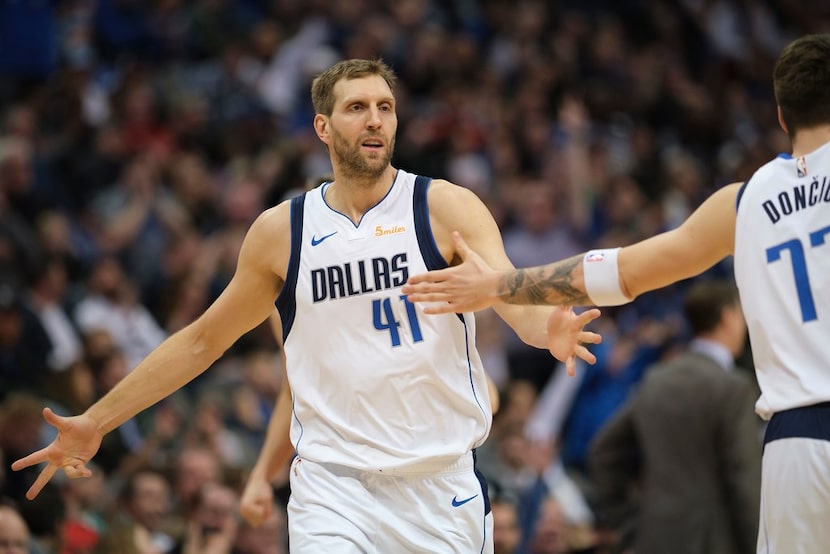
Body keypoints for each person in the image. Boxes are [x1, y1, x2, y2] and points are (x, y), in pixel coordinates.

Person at [11, 58, 602, 552]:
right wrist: (97, 420)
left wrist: (545, 330)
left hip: (438, 483)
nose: (375, 119)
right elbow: (202, 340)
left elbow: (505, 291)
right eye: (357, 107)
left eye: (385, 107)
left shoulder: (444, 207)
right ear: (323, 127)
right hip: (331, 485)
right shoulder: (281, 232)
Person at [403, 33, 830, 553]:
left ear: (782, 116)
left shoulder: (745, 201)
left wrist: (495, 284)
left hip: (796, 445)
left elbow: (620, 274)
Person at [589, 280, 761, 554]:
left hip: (654, 536)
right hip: (715, 540)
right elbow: (743, 478)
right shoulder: (734, 388)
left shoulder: (656, 379)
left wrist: (628, 521)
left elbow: (604, 451)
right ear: (727, 318)